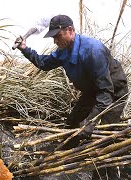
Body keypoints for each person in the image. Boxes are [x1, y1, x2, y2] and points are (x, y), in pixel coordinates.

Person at [14, 14, 129, 179]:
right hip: (92, 91)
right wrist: (25, 49)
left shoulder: (92, 51)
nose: (55, 41)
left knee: (106, 135)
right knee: (72, 125)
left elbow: (106, 93)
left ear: (70, 30)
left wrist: (90, 122)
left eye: (57, 36)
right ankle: (63, 163)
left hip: (114, 92)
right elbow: (43, 63)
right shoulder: (63, 51)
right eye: (53, 37)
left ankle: (108, 173)